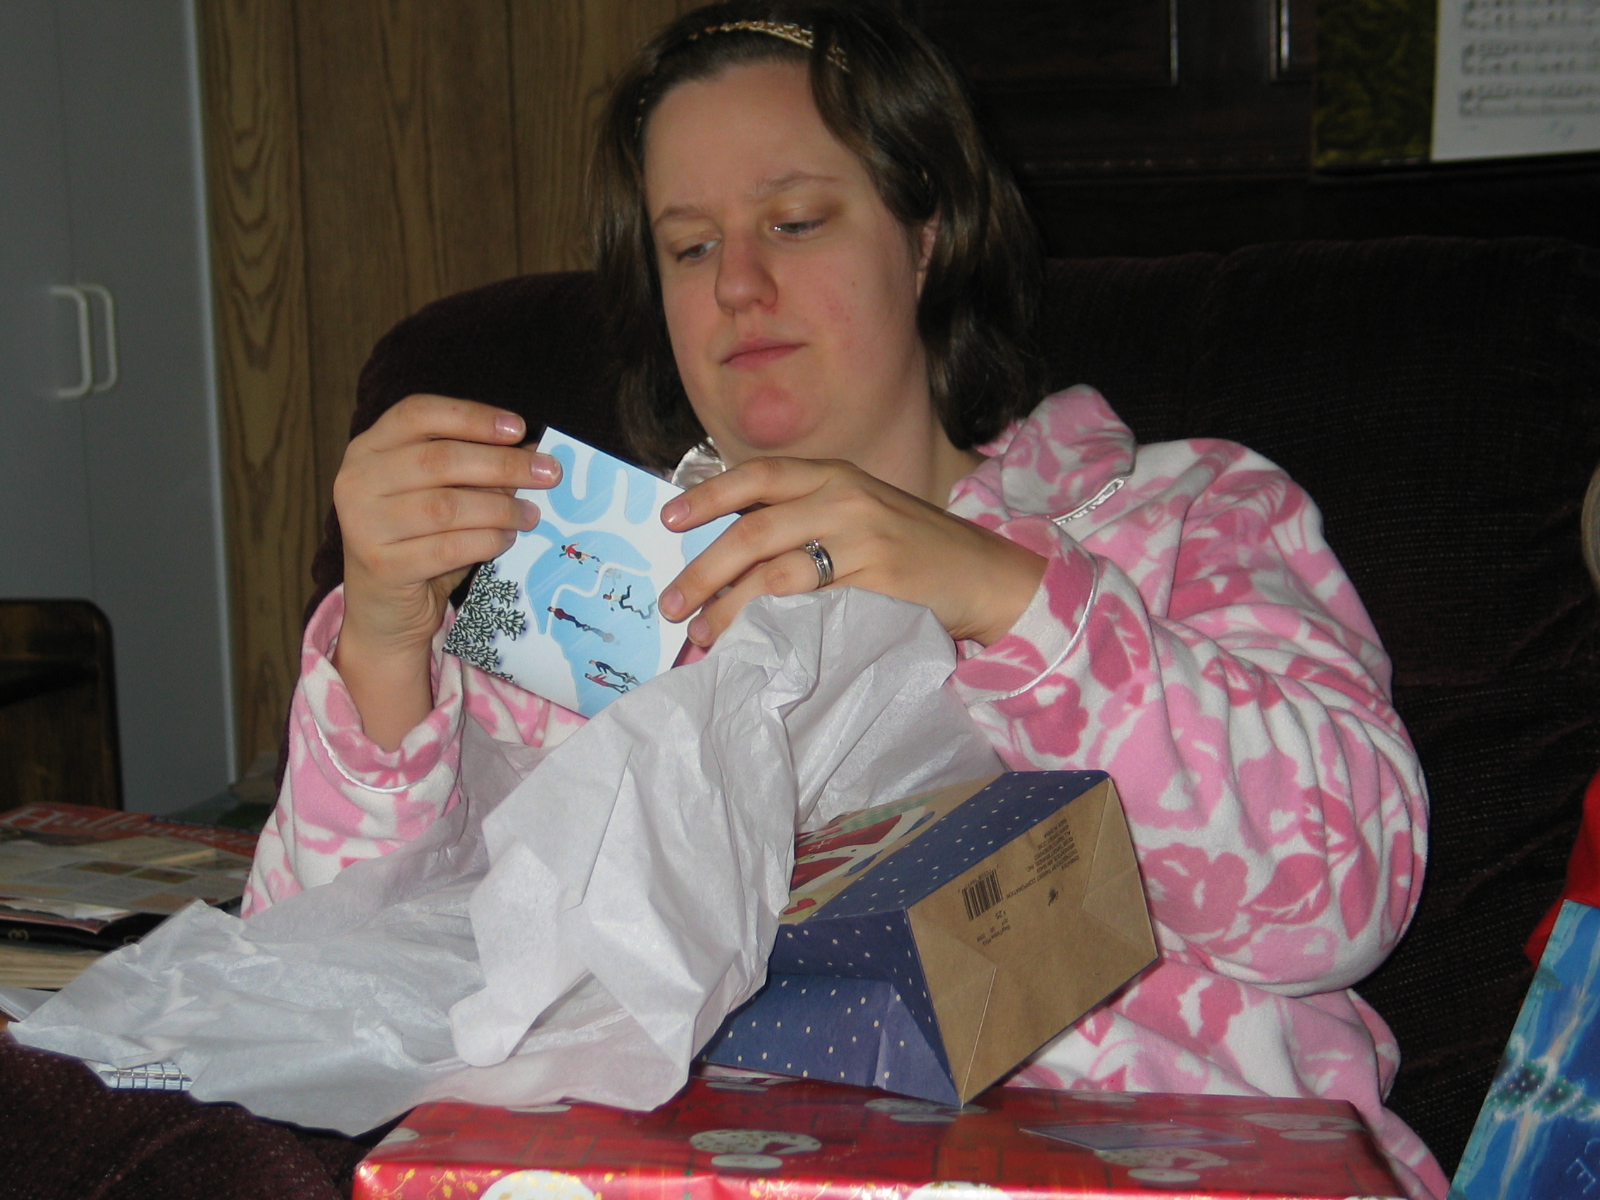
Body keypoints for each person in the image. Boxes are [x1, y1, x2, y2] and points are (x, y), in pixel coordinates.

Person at [244, 4, 1443, 1195]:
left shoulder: (1181, 521)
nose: (739, 284)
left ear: (925, 236)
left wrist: (1002, 597)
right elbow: (317, 1005)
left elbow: (1340, 901)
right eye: (690, 247)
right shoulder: (592, 593)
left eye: (794, 222)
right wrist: (385, 645)